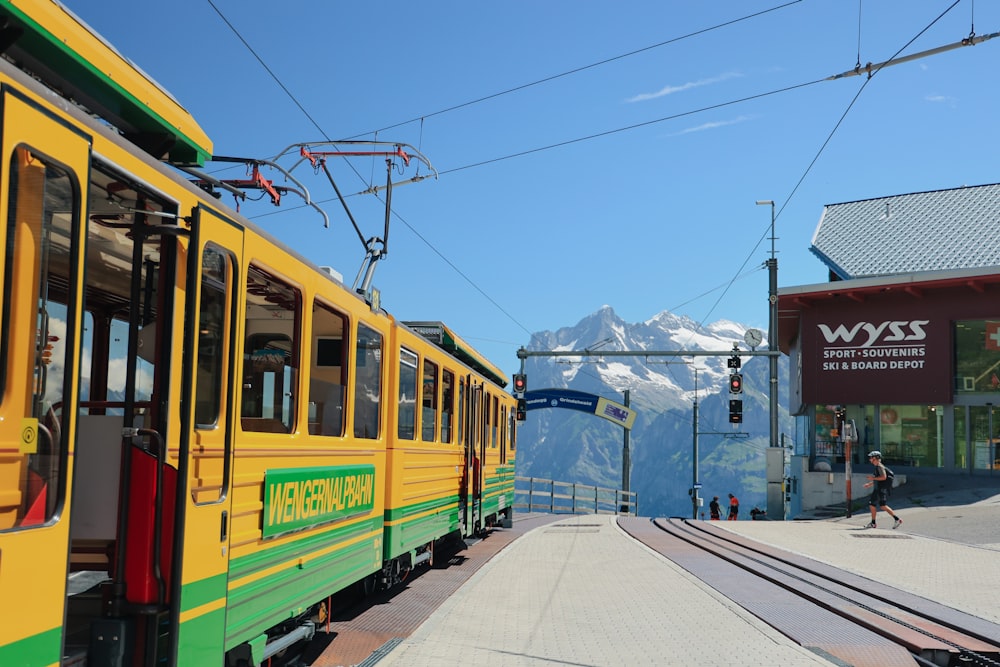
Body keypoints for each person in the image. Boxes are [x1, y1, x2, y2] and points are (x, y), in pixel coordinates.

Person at [863, 450, 902, 529]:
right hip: (882, 489)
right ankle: (897, 519)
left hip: (879, 489)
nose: (870, 459)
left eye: (871, 458)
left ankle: (873, 523)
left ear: (876, 458)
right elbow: (879, 479)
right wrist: (870, 484)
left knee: (872, 504)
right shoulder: (879, 467)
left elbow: (883, 477)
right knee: (883, 506)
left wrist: (872, 478)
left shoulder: (880, 467)